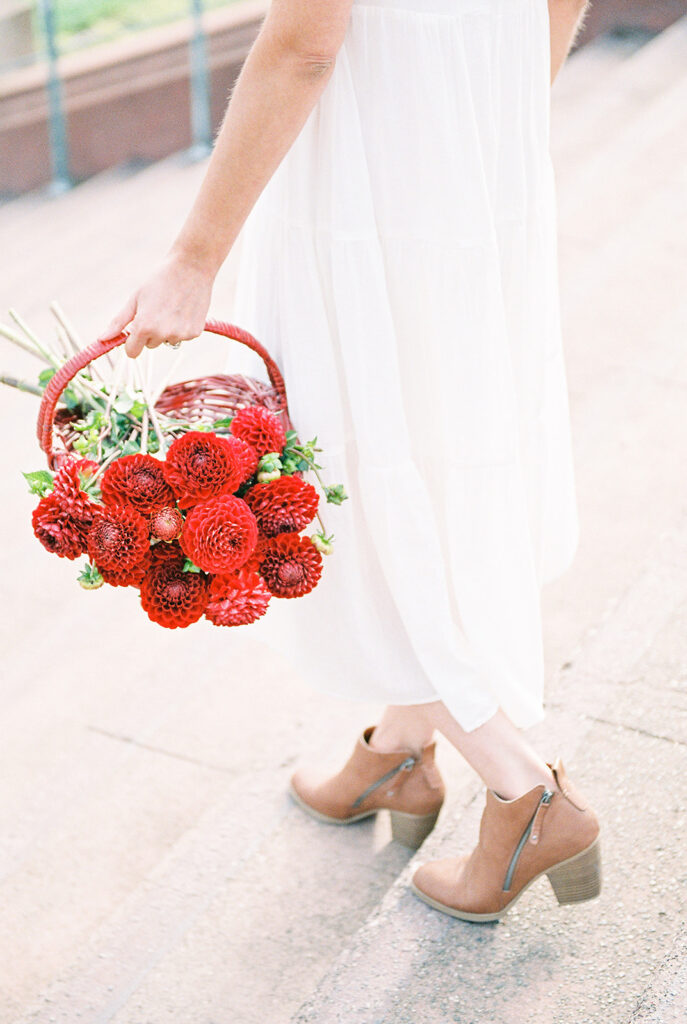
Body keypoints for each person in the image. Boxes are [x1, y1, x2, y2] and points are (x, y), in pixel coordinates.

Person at [99, 0, 600, 923]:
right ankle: (400, 755)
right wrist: (486, 128)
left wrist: (192, 258)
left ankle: (524, 791)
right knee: (421, 462)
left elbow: (303, 43)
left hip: (370, 195)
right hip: (476, 173)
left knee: (357, 486)